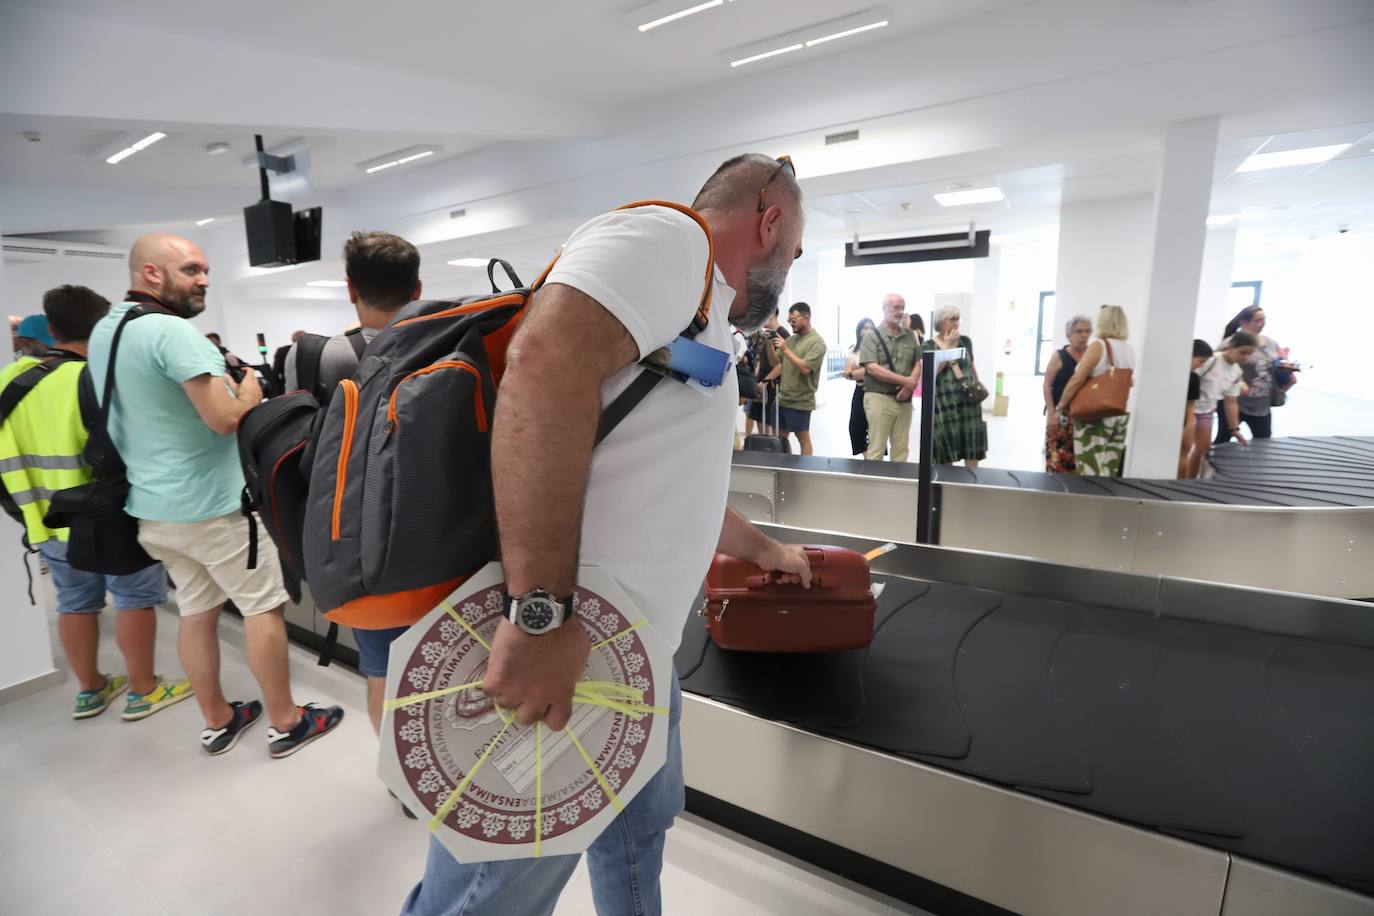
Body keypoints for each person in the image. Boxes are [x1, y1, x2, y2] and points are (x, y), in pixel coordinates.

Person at [400, 153, 813, 916]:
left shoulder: (700, 308)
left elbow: (664, 473)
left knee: (637, 833)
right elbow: (542, 364)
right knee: (489, 895)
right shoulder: (669, 239)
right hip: (568, 652)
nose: (789, 268)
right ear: (770, 222)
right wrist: (539, 617)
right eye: (793, 252)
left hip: (636, 654)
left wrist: (765, 550)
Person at [87, 233, 344, 758]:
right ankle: (287, 722)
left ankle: (219, 720)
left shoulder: (107, 331)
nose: (204, 280)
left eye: (205, 270)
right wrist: (248, 390)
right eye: (191, 270)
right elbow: (225, 419)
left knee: (197, 611)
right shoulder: (171, 332)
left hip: (154, 509)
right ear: (152, 273)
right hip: (215, 509)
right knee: (263, 608)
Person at [0, 286, 189, 721]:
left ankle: (91, 689)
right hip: (108, 516)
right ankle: (143, 690)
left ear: (51, 329)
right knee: (134, 598)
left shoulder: (10, 379)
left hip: (44, 518)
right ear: (104, 326)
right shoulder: (96, 379)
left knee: (73, 601)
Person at [286, 232, 421, 799]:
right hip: (444, 537)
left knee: (382, 666)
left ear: (349, 289)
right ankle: (447, 773)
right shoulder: (450, 342)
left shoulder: (316, 357)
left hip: (358, 543)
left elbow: (298, 452)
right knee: (451, 659)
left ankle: (403, 781)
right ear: (418, 288)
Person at [1056, 305, 1134, 477]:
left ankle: (1090, 495)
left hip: (1095, 415)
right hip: (1118, 415)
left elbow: (1077, 379)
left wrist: (1061, 405)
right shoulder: (1128, 349)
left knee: (1090, 467)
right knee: (1109, 467)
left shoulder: (1099, 345)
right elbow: (1130, 381)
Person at [923, 304, 987, 468]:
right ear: (941, 322)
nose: (956, 323)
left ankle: (972, 477)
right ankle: (947, 479)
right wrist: (949, 346)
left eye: (958, 319)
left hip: (968, 400)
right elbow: (932, 372)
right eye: (952, 319)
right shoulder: (928, 345)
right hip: (944, 403)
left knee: (971, 442)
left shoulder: (965, 341)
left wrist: (976, 387)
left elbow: (971, 366)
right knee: (946, 443)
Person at [858, 294, 920, 462]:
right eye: (895, 308)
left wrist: (909, 386)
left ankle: (898, 479)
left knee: (901, 448)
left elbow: (917, 363)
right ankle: (874, 479)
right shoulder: (871, 336)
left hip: (904, 400)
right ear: (884, 308)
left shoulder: (910, 335)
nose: (899, 312)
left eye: (902, 308)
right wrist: (905, 381)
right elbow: (872, 368)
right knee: (877, 448)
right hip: (879, 398)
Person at [1214, 306, 1290, 443]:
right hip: (1235, 401)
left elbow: (1278, 363)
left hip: (1261, 404)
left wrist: (1284, 367)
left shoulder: (1271, 342)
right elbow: (1217, 367)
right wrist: (1236, 382)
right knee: (1223, 439)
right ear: (1244, 322)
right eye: (1258, 320)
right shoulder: (1230, 343)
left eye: (1263, 319)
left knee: (1264, 441)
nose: (1262, 323)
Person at [1188, 331, 1257, 478]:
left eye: (1249, 354)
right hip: (1190, 408)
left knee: (1203, 450)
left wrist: (1234, 429)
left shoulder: (1237, 372)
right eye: (1242, 352)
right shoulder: (1211, 360)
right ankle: (1181, 478)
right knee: (1185, 447)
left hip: (1207, 411)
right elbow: (1190, 378)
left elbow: (1231, 402)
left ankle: (1192, 480)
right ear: (1231, 347)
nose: (1245, 357)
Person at [775, 302, 827, 455]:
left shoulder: (817, 343)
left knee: (802, 438)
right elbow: (775, 361)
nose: (791, 324)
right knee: (781, 438)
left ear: (806, 318)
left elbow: (805, 368)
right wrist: (769, 346)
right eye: (789, 320)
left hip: (801, 400)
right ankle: (785, 464)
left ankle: (806, 466)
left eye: (794, 320)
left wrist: (785, 349)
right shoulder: (791, 340)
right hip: (784, 397)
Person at [1043, 315, 1092, 473]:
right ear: (1068, 335)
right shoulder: (1059, 356)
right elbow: (1047, 385)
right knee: (1058, 460)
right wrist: (1051, 413)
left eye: (1087, 331)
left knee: (1081, 463)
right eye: (1079, 331)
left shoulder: (1092, 355)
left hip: (1086, 416)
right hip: (1062, 416)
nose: (1084, 335)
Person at [744, 308, 789, 436]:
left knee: (773, 422)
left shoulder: (782, 334)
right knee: (759, 417)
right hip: (761, 383)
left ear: (772, 315)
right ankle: (765, 445)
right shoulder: (767, 334)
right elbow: (762, 357)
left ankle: (774, 447)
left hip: (773, 386)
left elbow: (781, 364)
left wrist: (766, 381)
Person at [842, 318, 877, 455]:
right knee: (855, 426)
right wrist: (860, 371)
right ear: (859, 331)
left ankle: (875, 458)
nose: (868, 331)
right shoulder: (853, 350)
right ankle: (866, 456)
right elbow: (847, 372)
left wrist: (855, 371)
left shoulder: (878, 350)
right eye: (865, 328)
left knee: (874, 427)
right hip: (859, 391)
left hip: (875, 391)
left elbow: (872, 371)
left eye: (871, 328)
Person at [1180, 339, 1212, 478]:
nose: (1201, 365)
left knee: (1184, 451)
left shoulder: (1194, 378)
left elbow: (1190, 405)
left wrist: (1189, 424)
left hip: (1184, 420)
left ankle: (1180, 482)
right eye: (1200, 361)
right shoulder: (1173, 374)